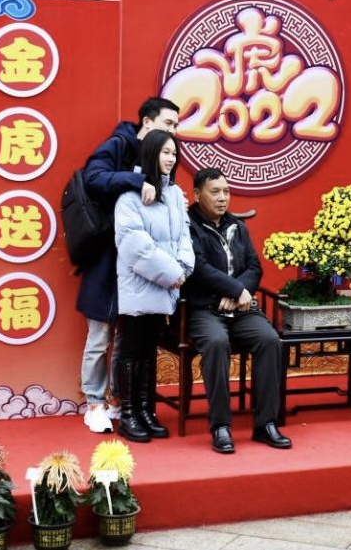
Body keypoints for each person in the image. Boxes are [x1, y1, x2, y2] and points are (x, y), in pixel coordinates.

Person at [77, 97, 179, 434]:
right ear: (147, 122)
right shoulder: (119, 144)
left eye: (176, 127)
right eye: (168, 123)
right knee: (100, 334)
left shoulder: (163, 159)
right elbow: (94, 178)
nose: (173, 132)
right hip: (106, 257)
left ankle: (119, 401)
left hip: (138, 268)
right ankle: (94, 403)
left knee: (127, 336)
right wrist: (136, 181)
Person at [182, 168, 292, 453]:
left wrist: (238, 292)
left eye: (226, 192)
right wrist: (235, 290)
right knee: (217, 343)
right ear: (197, 194)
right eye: (215, 192)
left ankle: (265, 424)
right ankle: (221, 426)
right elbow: (197, 267)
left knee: (270, 340)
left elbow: (254, 267)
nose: (222, 198)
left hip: (241, 308)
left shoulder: (237, 226)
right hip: (204, 309)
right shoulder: (186, 225)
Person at [113, 129, 194, 443]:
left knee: (149, 350)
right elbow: (135, 246)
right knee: (132, 350)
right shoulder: (129, 198)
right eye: (165, 152)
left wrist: (183, 268)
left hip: (166, 287)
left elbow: (184, 236)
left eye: (174, 153)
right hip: (139, 286)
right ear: (150, 153)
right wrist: (172, 273)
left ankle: (147, 411)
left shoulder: (174, 194)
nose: (171, 159)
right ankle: (129, 414)